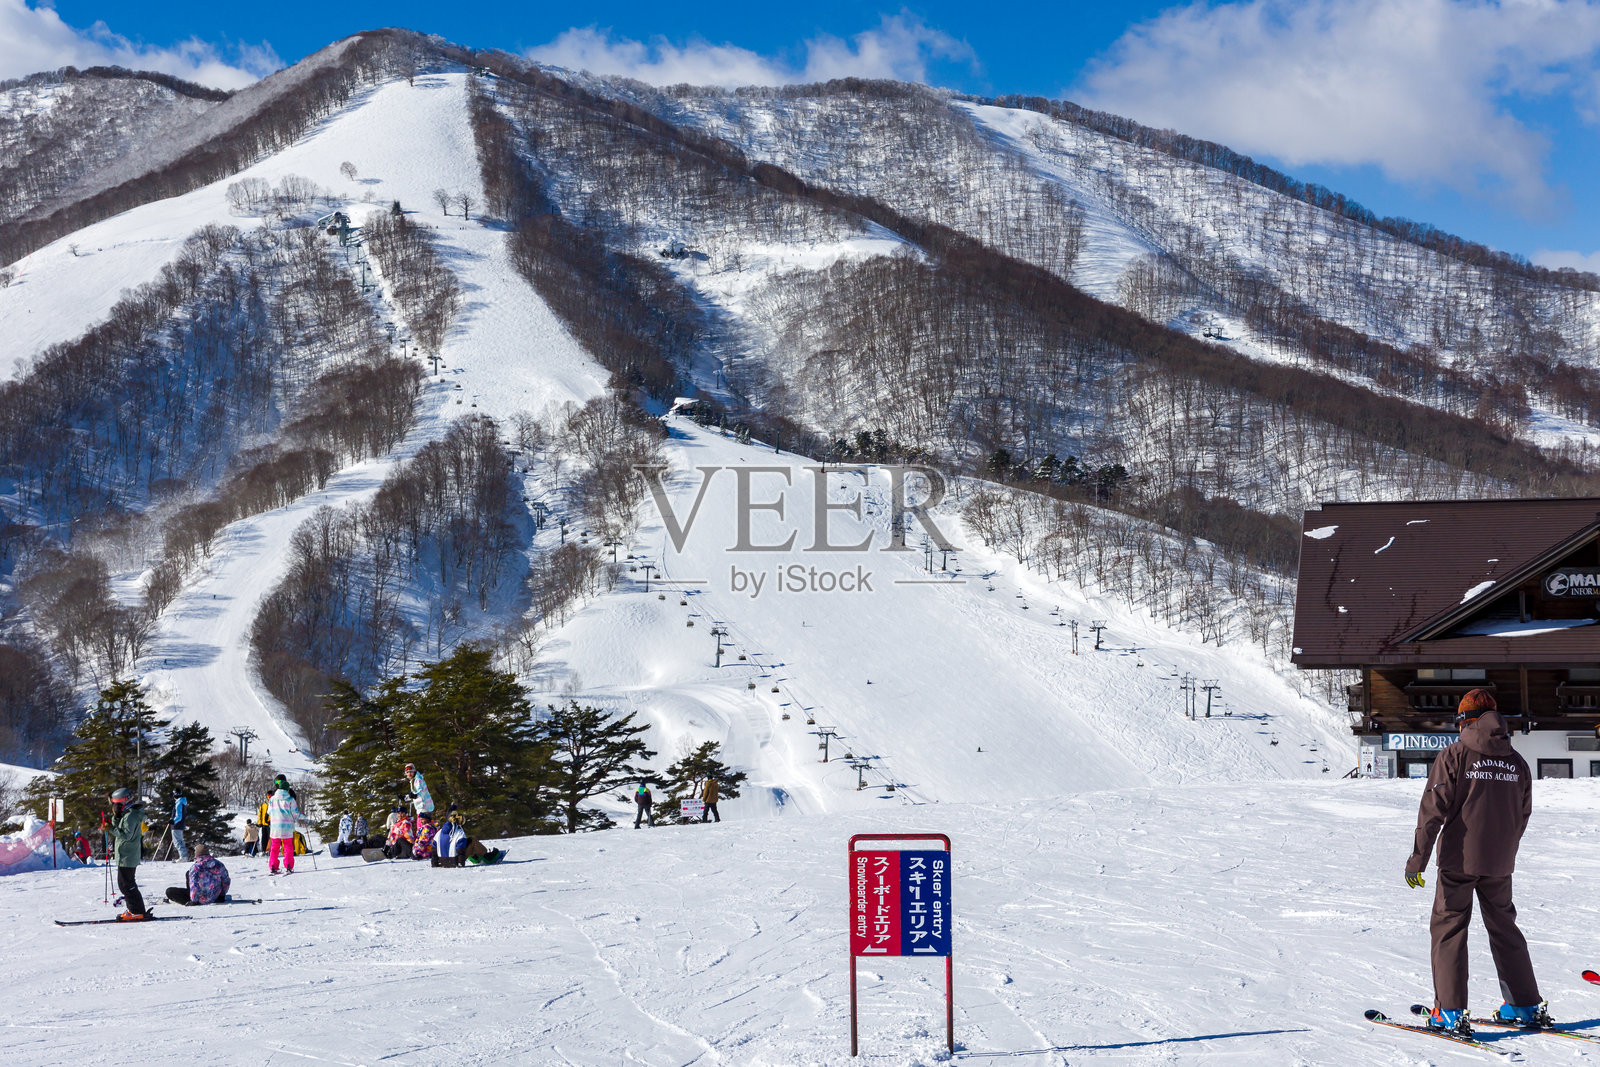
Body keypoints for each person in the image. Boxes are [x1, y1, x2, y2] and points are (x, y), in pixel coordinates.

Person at [1406, 688, 1548, 1034]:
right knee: (1505, 929)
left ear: (1466, 720)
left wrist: (1417, 861)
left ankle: (1450, 1012)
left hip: (1459, 860)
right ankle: (1525, 1005)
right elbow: (1522, 813)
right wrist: (1505, 849)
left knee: (1449, 928)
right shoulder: (1518, 763)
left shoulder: (1454, 756)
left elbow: (1431, 813)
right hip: (1500, 862)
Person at [107, 788, 148, 921]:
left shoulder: (130, 816)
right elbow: (121, 827)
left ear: (123, 802)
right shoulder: (127, 813)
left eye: (116, 804)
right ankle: (135, 910)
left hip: (128, 854)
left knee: (127, 884)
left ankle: (137, 911)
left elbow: (126, 835)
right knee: (125, 883)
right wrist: (116, 817)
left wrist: (110, 829)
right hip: (125, 854)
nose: (114, 806)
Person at [166, 844, 230, 905]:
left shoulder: (196, 867)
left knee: (169, 891)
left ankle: (185, 899)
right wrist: (222, 895)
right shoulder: (219, 864)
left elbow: (194, 885)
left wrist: (194, 901)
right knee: (188, 873)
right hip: (215, 896)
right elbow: (226, 881)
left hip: (200, 899)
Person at [267, 775, 299, 875]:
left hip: (275, 826)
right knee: (288, 846)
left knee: (274, 847)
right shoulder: (290, 797)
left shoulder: (272, 798)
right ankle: (289, 866)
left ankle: (273, 866)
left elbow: (269, 811)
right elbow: (295, 813)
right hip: (287, 826)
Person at [170, 792, 189, 862]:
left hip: (177, 825)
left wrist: (173, 821)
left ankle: (183, 856)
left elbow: (178, 816)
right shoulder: (182, 802)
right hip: (180, 825)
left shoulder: (179, 803)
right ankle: (184, 856)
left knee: (177, 841)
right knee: (179, 840)